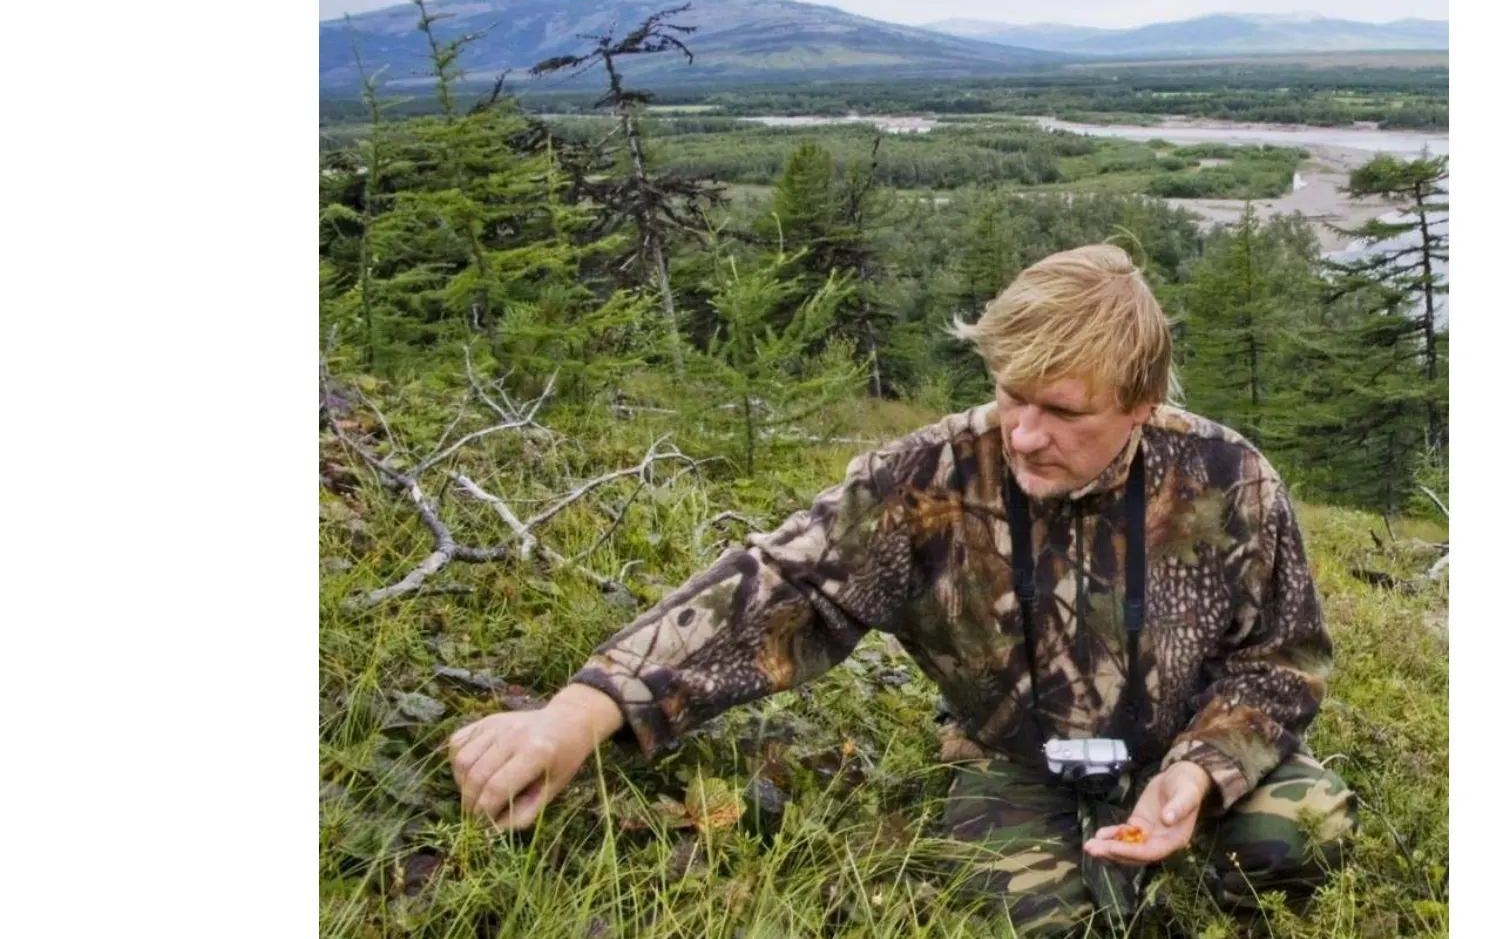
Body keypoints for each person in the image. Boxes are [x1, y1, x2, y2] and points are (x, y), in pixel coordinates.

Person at [447, 244, 1356, 935]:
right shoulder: (928, 476)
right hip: (1011, 759)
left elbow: (1282, 660)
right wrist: (575, 715)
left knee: (1302, 831)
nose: (1026, 435)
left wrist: (1201, 769)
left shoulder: (1225, 476)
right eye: (1012, 396)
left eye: (1065, 411)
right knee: (1033, 913)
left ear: (1143, 402)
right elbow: (781, 585)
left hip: (1183, 747)